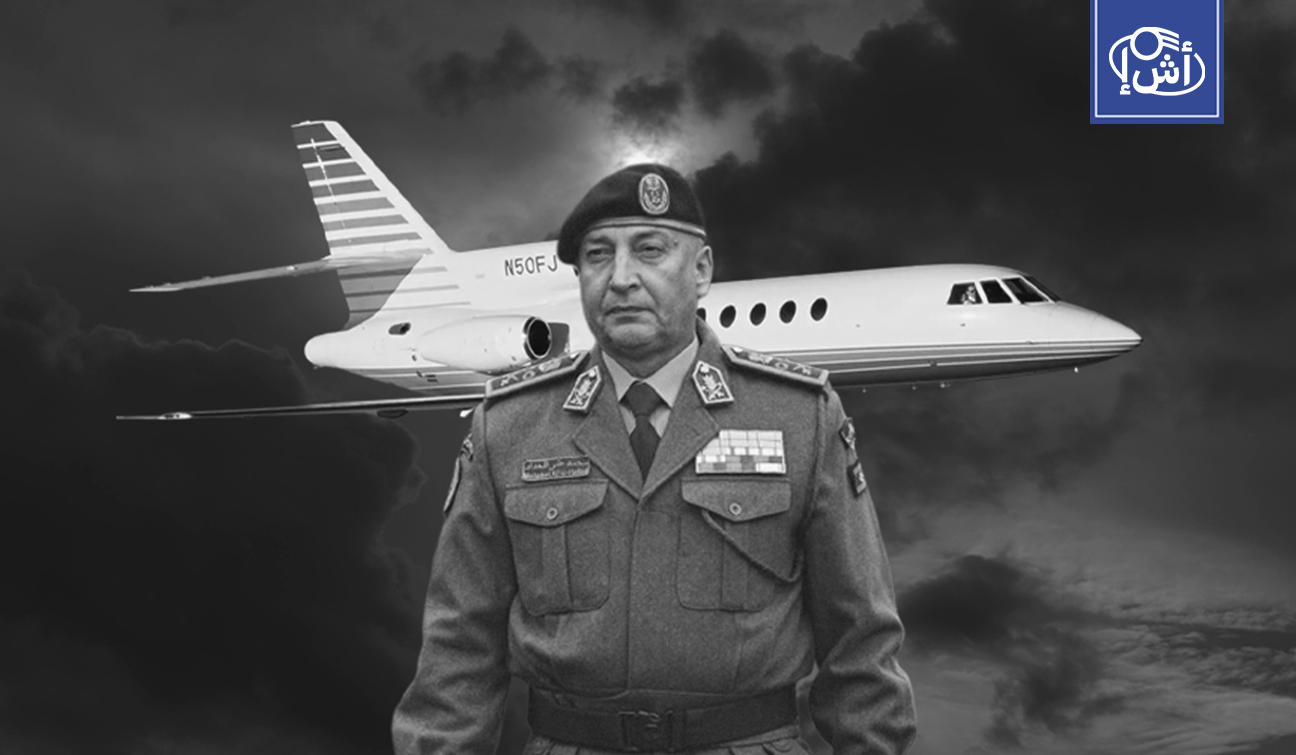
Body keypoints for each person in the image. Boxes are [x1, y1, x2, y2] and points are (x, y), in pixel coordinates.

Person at [393, 164, 916, 755]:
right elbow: (460, 642)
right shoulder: (510, 425)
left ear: (701, 270)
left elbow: (860, 635)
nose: (621, 279)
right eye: (598, 255)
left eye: (649, 250)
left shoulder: (799, 416)